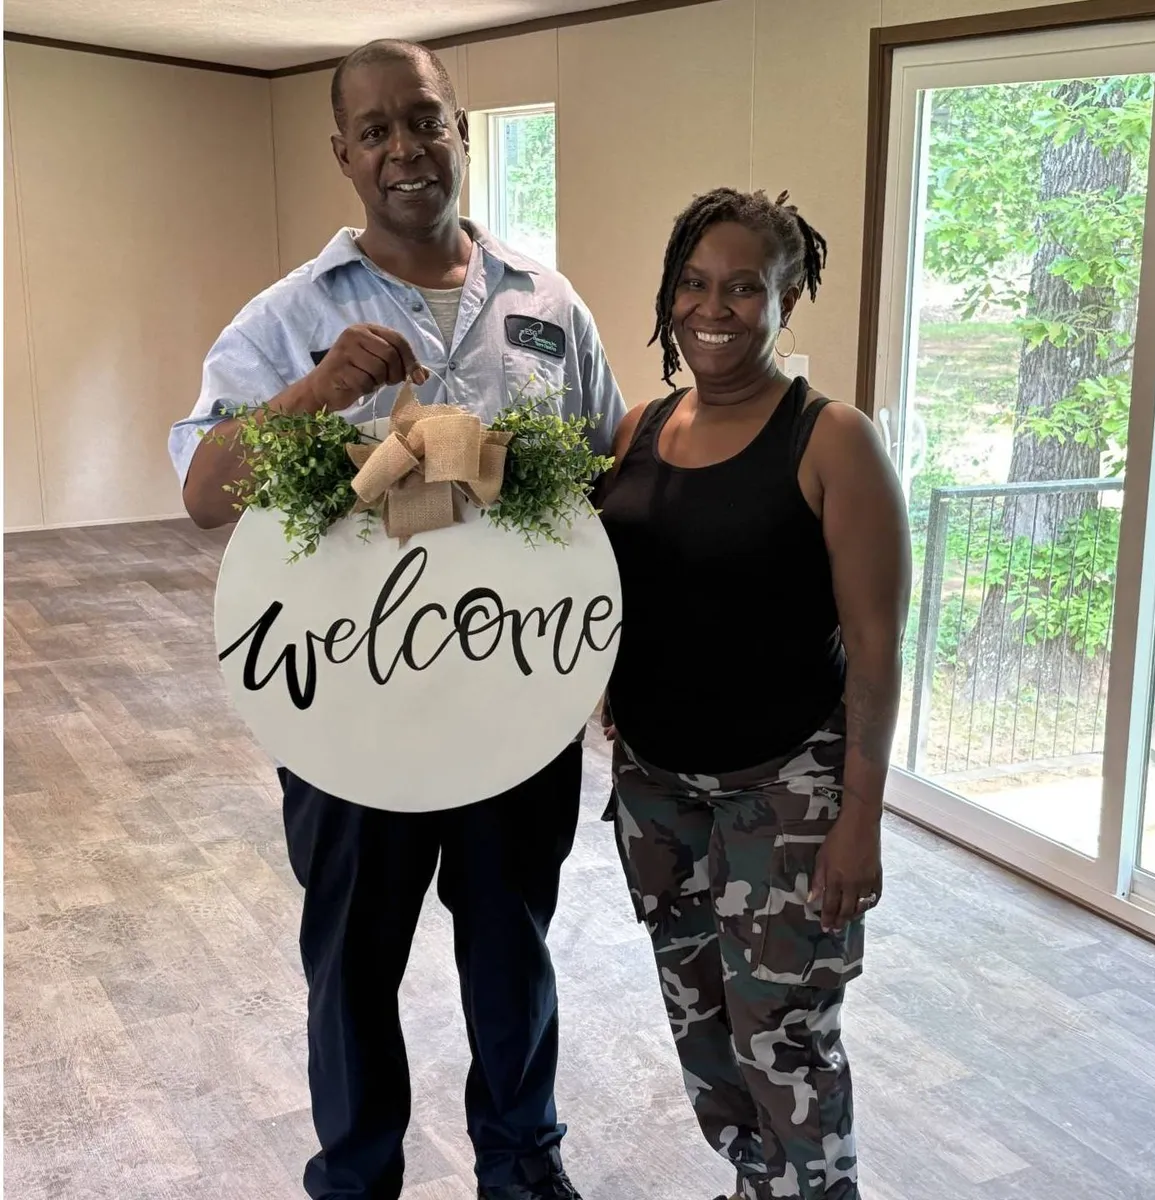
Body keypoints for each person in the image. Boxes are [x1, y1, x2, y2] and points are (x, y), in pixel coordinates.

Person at [167, 39, 623, 1200]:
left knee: (512, 948)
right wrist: (316, 391)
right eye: (375, 130)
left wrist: (610, 663)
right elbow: (205, 493)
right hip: (352, 711)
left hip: (515, 701)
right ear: (343, 155)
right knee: (353, 964)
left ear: (458, 130)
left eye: (424, 119)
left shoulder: (547, 303)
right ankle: (357, 1177)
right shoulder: (287, 318)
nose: (405, 148)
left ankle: (523, 1166)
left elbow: (605, 477)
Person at [596, 188, 911, 1200]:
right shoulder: (639, 428)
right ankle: (754, 1181)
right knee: (702, 1027)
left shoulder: (831, 440)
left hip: (785, 791)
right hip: (656, 788)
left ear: (787, 299)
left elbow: (875, 652)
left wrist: (860, 822)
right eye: (693, 284)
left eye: (743, 288)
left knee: (785, 1037)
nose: (712, 308)